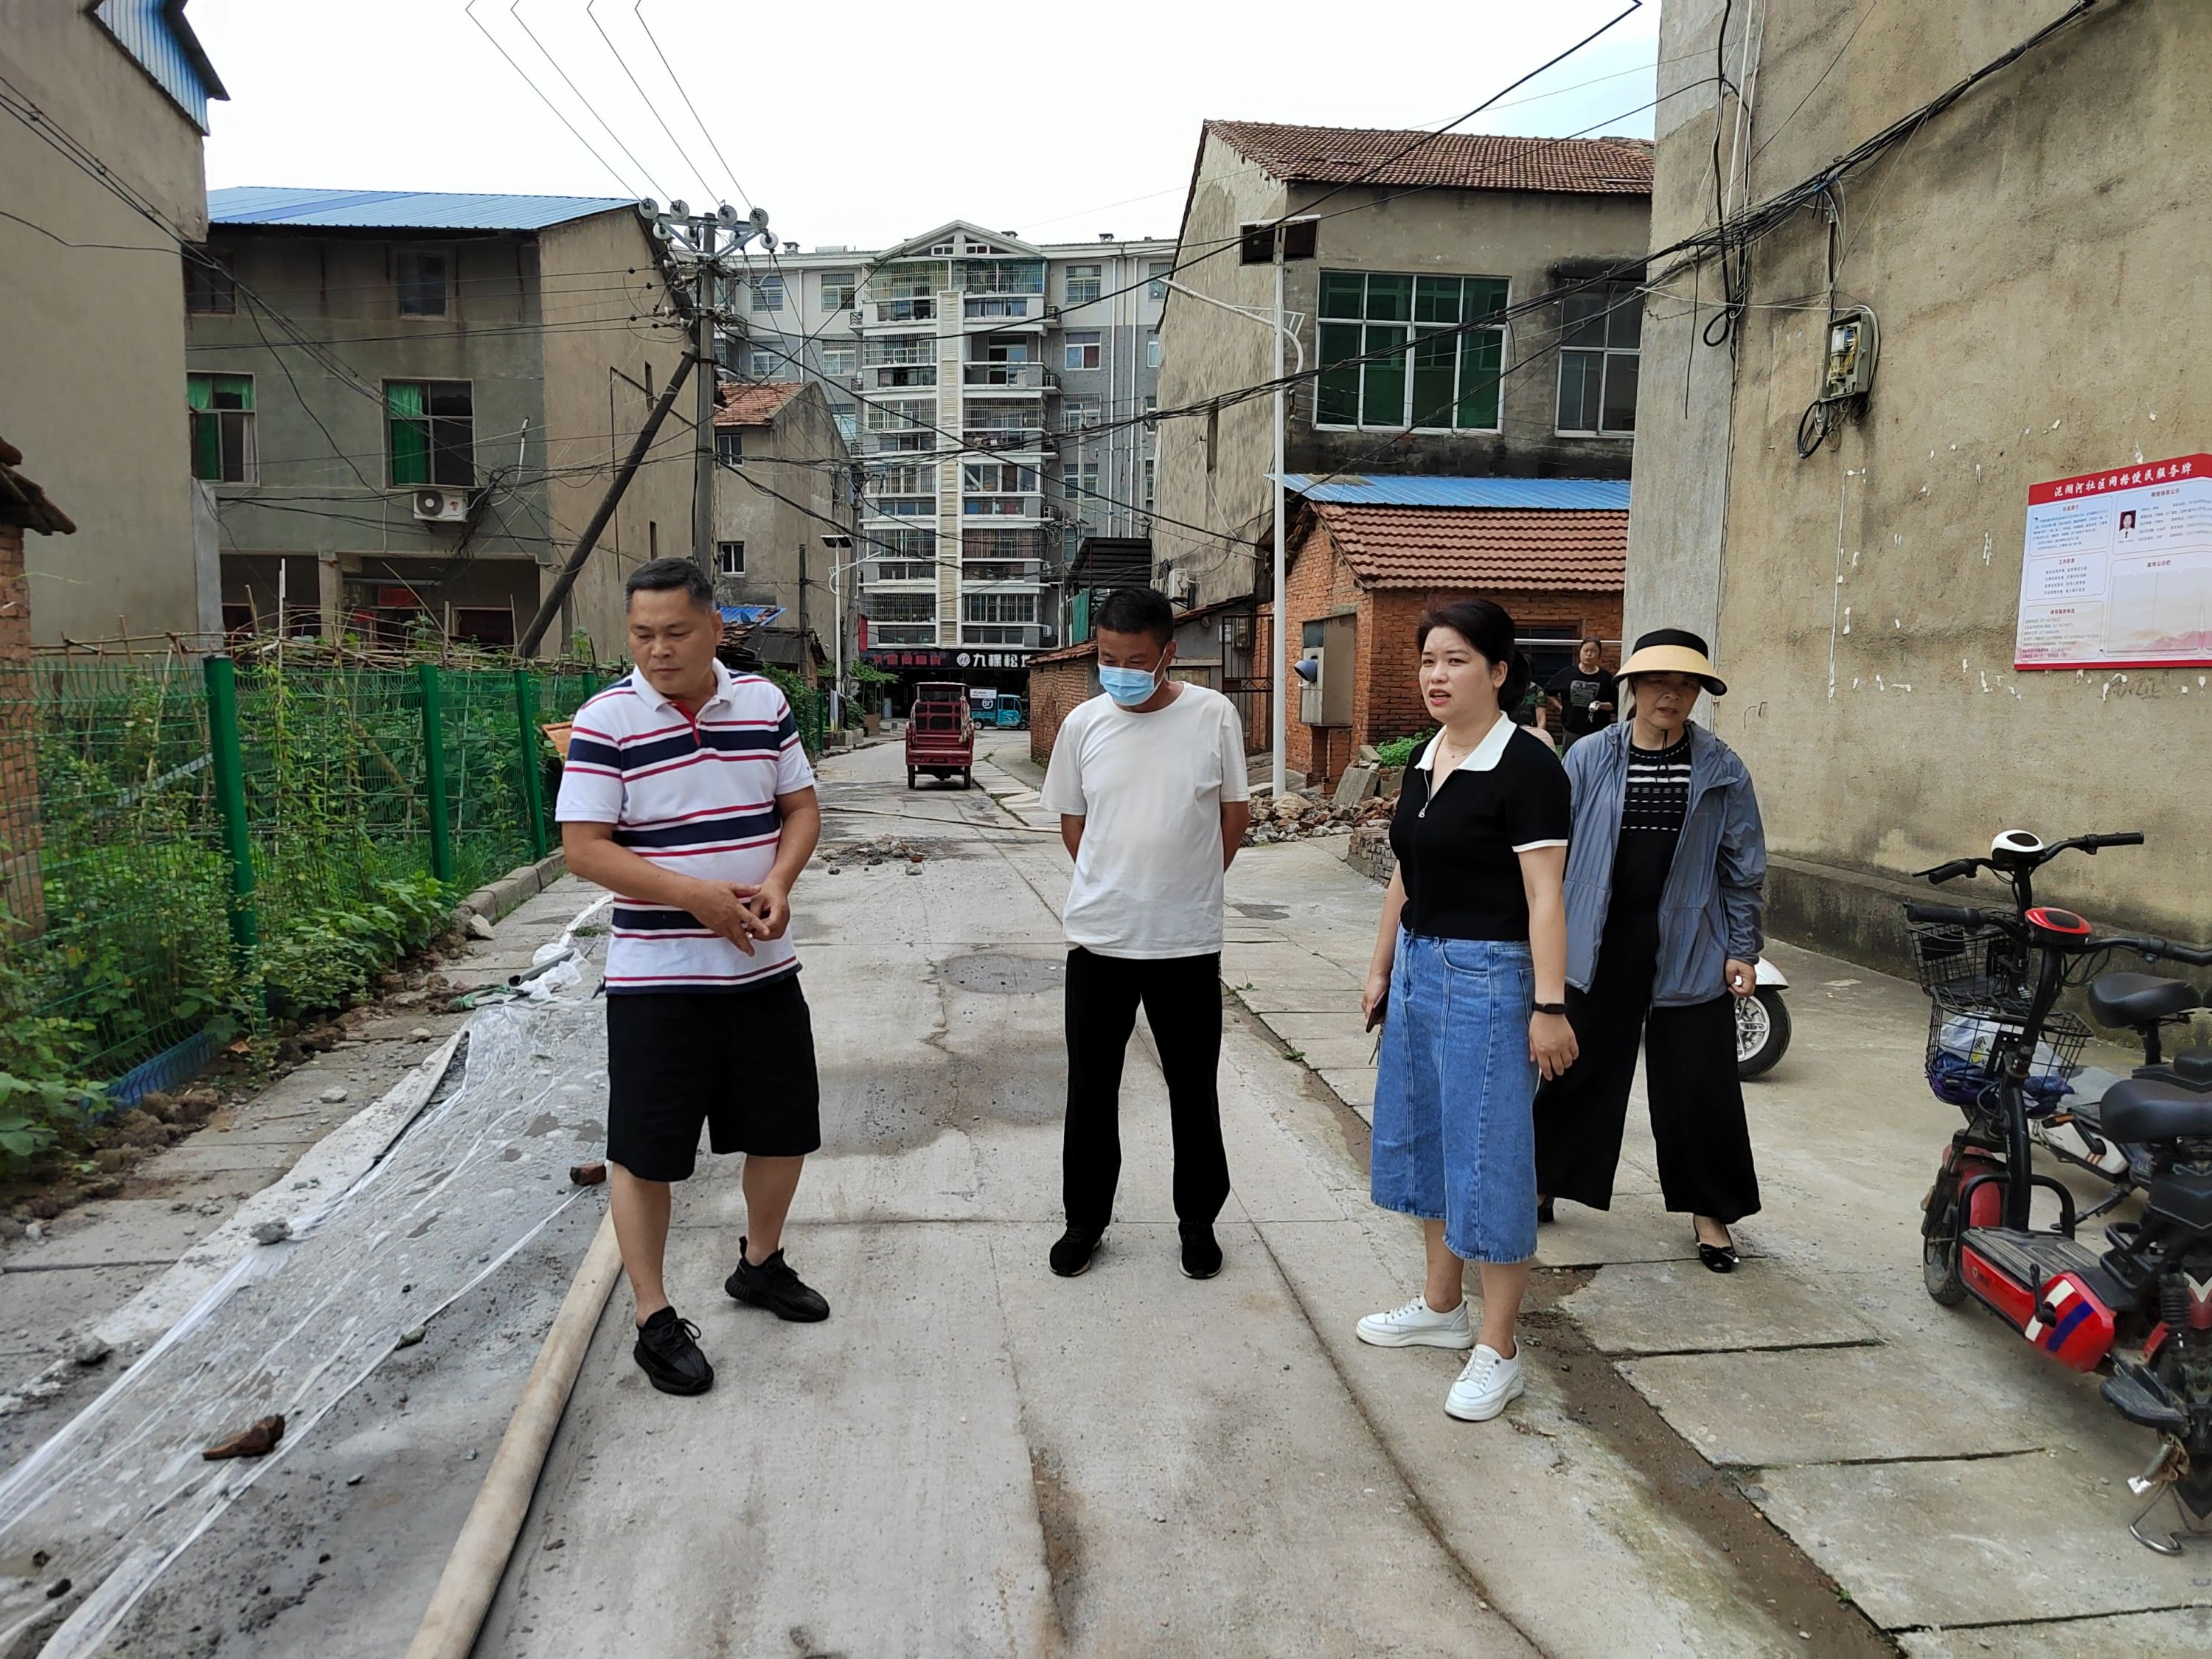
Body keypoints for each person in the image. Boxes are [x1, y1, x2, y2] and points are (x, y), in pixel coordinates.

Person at [557, 558, 829, 1397]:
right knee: (646, 1153)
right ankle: (653, 1317)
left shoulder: (764, 705)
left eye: (676, 632)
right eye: (642, 635)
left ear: (716, 628)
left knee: (783, 1130)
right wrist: (693, 897)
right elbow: (584, 849)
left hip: (762, 970)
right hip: (657, 982)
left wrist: (778, 881)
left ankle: (760, 1263)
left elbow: (800, 809)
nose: (659, 649)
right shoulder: (606, 720)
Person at [1354, 598, 1576, 1423]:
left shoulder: (1528, 767)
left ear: (1499, 670)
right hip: (1420, 967)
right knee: (1426, 1140)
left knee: (1489, 1157)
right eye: (1428, 660)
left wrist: (1549, 1006)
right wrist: (1382, 966)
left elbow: (1545, 896)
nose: (1436, 675)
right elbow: (1406, 872)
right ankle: (1442, 1308)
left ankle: (1499, 1347)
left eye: (1455, 660)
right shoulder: (1430, 755)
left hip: (1491, 977)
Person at [1533, 628, 1767, 1271]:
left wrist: (1742, 948)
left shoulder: (1721, 767)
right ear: (1633, 686)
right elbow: (1551, 853)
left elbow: (1742, 866)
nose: (1672, 695)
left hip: (1690, 938)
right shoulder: (1589, 756)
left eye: (1687, 685)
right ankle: (1543, 1181)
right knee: (1575, 1067)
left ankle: (1709, 1212)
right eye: (1660, 682)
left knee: (1699, 1080)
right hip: (1598, 935)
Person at [1040, 585, 1252, 1281]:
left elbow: (1233, 817)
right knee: (1091, 1089)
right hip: (1100, 940)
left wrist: (1185, 883)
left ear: (1168, 654)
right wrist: (1119, 883)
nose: (1120, 671)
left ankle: (1198, 1223)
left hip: (1185, 943)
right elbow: (1074, 822)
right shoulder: (1083, 725)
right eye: (1108, 658)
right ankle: (1084, 1222)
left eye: (1135, 659)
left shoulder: (1212, 715)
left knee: (1193, 1090)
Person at [1546, 637, 1618, 749]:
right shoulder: (1567, 674)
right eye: (1586, 650)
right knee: (1570, 757)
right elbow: (1549, 692)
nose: (1589, 654)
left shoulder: (1606, 678)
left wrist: (1601, 705)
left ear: (1599, 655)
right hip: (1572, 728)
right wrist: (1561, 708)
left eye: (1593, 651)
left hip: (1597, 731)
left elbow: (1615, 704)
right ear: (1580, 652)